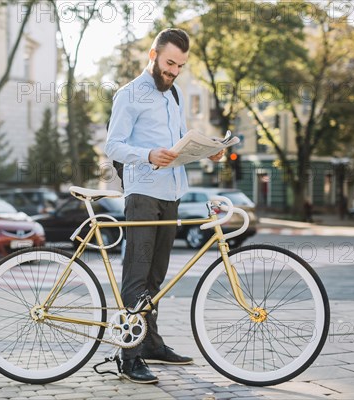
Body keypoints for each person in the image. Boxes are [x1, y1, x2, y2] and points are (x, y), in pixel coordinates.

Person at [105, 28, 225, 384]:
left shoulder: (174, 95)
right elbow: (113, 146)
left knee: (156, 277)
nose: (173, 71)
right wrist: (146, 154)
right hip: (142, 194)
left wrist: (208, 151)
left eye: (180, 66)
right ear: (153, 54)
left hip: (172, 194)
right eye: (170, 63)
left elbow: (178, 145)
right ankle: (129, 356)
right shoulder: (129, 95)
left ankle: (151, 343)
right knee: (137, 276)